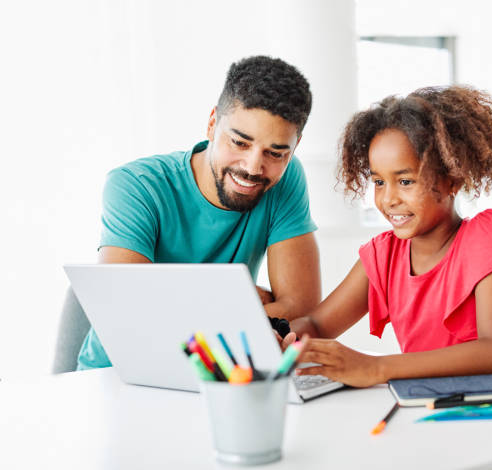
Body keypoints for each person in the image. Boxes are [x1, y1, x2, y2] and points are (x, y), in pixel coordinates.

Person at [77, 56, 321, 370]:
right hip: (118, 372)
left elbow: (301, 309)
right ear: (211, 124)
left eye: (275, 153)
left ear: (295, 146)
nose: (252, 167)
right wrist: (239, 305)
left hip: (220, 372)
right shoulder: (135, 185)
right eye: (239, 142)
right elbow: (128, 314)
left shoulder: (286, 179)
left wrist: (193, 310)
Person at [289, 85, 492, 387]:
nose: (388, 199)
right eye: (379, 182)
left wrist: (376, 367)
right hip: (428, 405)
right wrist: (279, 334)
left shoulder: (485, 241)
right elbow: (317, 324)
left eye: (405, 181)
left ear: (453, 180)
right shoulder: (384, 255)